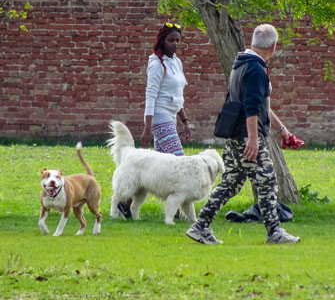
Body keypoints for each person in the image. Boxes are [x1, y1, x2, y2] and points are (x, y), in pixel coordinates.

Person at [186, 24, 300, 245]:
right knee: (267, 180)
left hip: (236, 135)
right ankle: (274, 233)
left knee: (231, 182)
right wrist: (254, 139)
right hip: (247, 137)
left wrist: (282, 130)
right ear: (274, 47)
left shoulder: (241, 65)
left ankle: (200, 226)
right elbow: (251, 106)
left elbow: (260, 104)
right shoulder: (256, 69)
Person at [117, 22, 191, 219]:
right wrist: (147, 128)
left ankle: (125, 204)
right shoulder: (156, 64)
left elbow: (176, 95)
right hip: (159, 118)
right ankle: (177, 211)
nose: (175, 44)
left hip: (171, 117)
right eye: (171, 40)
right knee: (179, 162)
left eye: (178, 40)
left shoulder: (176, 62)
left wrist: (184, 121)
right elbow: (151, 96)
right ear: (162, 41)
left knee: (155, 168)